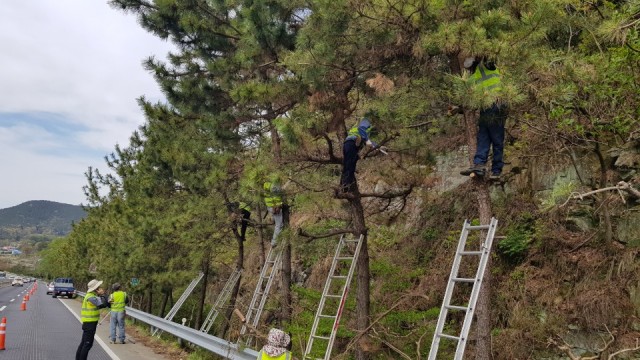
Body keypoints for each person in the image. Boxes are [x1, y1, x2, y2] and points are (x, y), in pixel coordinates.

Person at [459, 56, 508, 180]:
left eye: (471, 67)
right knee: (483, 137)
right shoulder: (474, 76)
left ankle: (496, 170)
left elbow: (490, 54)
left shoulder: (487, 65)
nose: (470, 70)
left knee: (496, 138)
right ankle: (479, 165)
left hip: (497, 104)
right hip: (486, 108)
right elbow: (467, 96)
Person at [340, 114, 380, 192]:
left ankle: (344, 186)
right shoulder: (366, 120)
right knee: (349, 165)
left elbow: (367, 140)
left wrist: (378, 147)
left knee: (349, 166)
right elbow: (361, 129)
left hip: (351, 144)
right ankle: (345, 186)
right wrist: (367, 140)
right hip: (351, 143)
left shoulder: (367, 128)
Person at [76, 279, 110, 360]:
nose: (100, 288)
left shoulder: (92, 296)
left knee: (83, 343)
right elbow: (103, 304)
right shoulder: (91, 297)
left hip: (89, 323)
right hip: (90, 324)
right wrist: (103, 294)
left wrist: (102, 296)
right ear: (96, 289)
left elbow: (102, 305)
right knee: (87, 345)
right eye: (98, 287)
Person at [263, 177, 285, 247]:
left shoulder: (266, 184)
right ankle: (274, 242)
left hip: (270, 206)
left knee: (278, 222)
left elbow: (269, 197)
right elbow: (276, 197)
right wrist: (277, 206)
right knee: (279, 225)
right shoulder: (275, 185)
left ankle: (272, 219)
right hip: (275, 207)